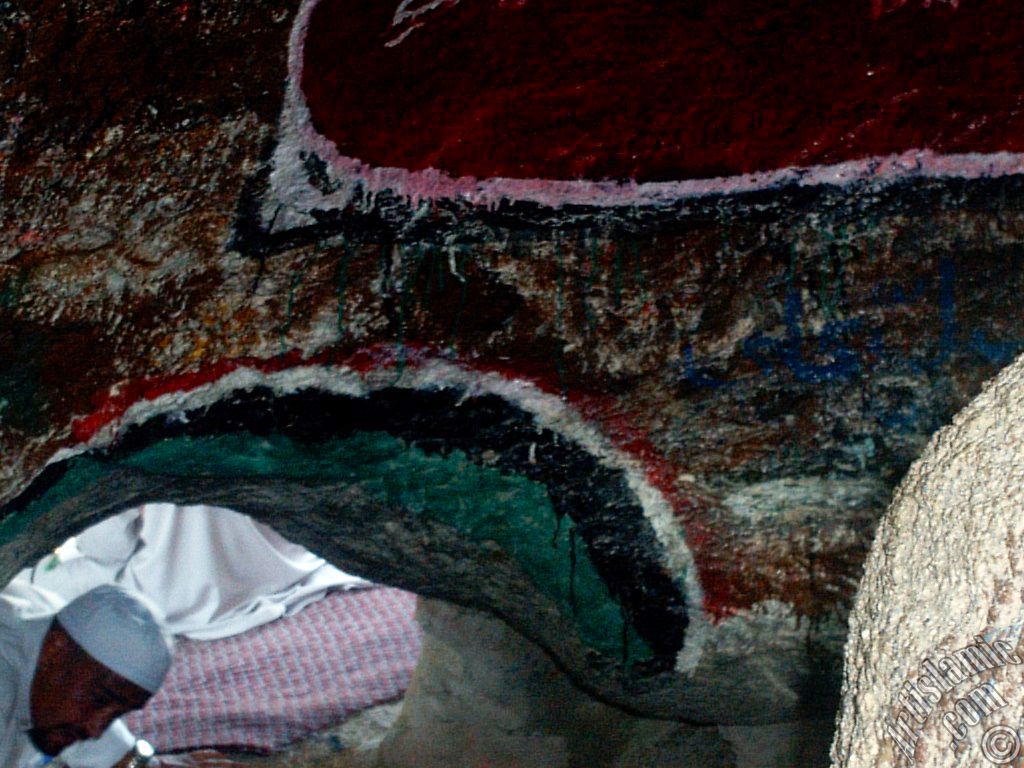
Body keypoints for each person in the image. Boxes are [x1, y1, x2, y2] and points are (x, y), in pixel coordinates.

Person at [0, 584, 171, 768]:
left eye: (117, 714)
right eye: (98, 700)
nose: (96, 731)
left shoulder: (67, 634)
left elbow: (127, 760)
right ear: (54, 650)